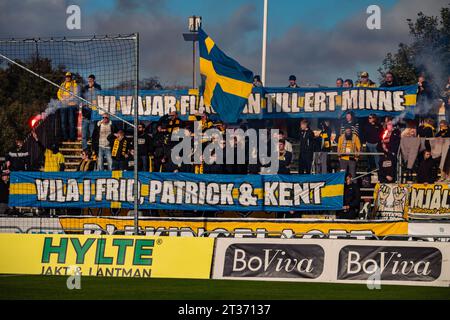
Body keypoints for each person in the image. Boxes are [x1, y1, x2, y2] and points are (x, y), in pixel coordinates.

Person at [81, 74, 101, 150]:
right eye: (89, 80)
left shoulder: (97, 87)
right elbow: (81, 99)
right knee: (84, 135)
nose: (90, 81)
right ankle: (84, 149)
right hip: (85, 116)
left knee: (93, 135)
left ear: (94, 80)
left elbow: (100, 95)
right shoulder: (85, 88)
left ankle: (93, 149)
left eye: (91, 80)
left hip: (93, 116)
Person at [57, 71, 79, 141]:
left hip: (71, 106)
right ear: (65, 77)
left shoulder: (74, 84)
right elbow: (58, 93)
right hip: (63, 105)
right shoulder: (62, 84)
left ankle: (72, 138)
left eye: (69, 77)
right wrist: (62, 99)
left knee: (71, 122)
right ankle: (65, 137)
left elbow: (76, 94)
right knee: (63, 122)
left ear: (71, 77)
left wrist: (68, 99)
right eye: (67, 77)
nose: (68, 78)